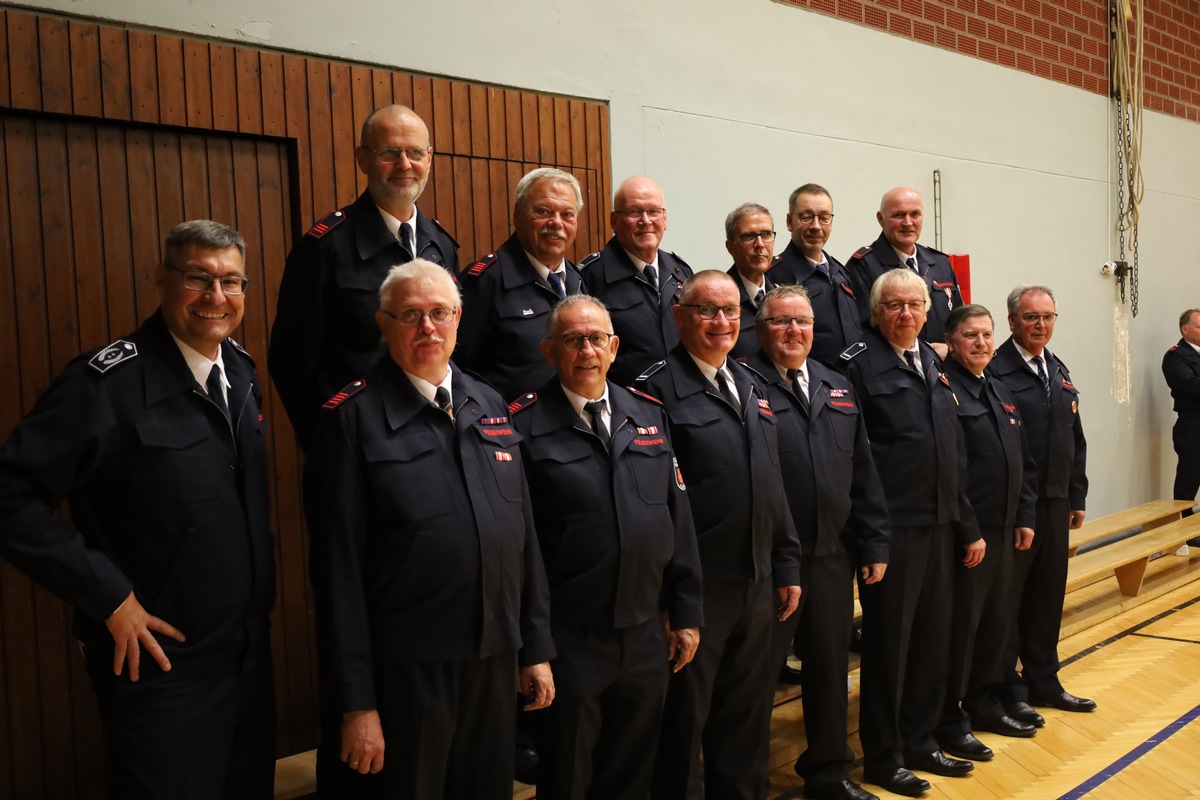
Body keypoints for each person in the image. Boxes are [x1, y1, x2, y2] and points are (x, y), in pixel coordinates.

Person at [0, 220, 276, 799]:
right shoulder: (106, 383)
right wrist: (108, 596)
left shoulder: (242, 372)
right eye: (198, 278)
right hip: (161, 666)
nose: (216, 298)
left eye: (231, 281)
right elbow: (9, 496)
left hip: (245, 660)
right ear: (162, 278)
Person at [304, 259, 555, 798]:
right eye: (410, 315)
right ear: (383, 323)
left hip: (492, 659)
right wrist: (357, 703)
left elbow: (523, 535)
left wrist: (533, 646)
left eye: (439, 313)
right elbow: (336, 576)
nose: (428, 328)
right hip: (405, 673)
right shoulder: (351, 418)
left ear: (460, 318)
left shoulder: (487, 402)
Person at [510, 294, 703, 799]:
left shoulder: (648, 414)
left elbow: (676, 518)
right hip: (571, 635)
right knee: (568, 771)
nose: (586, 350)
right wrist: (532, 645)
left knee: (632, 767)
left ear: (614, 347)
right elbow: (519, 548)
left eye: (596, 338)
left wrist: (684, 609)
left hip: (644, 629)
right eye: (572, 340)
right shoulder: (522, 427)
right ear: (549, 350)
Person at [636, 270, 801, 799]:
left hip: (755, 581)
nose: (721, 322)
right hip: (697, 589)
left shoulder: (750, 381)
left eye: (731, 311)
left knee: (746, 718)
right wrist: (674, 599)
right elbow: (652, 504)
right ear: (679, 314)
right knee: (683, 723)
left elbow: (772, 481)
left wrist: (787, 562)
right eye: (707, 310)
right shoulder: (653, 391)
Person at [743, 285, 889, 800]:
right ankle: (748, 783)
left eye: (802, 322)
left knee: (829, 673)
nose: (793, 331)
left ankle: (829, 775)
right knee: (757, 682)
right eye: (781, 322)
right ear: (760, 331)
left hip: (831, 556)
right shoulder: (742, 382)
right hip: (767, 564)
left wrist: (873, 542)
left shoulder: (836, 383)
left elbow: (862, 470)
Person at [840, 268, 980, 797]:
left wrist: (966, 524)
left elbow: (953, 454)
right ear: (877, 313)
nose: (905, 314)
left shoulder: (934, 363)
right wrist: (871, 538)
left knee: (930, 642)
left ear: (928, 312)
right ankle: (883, 753)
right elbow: (857, 460)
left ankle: (920, 738)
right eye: (894, 306)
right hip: (893, 531)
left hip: (942, 526)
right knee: (889, 648)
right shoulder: (855, 365)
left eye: (914, 305)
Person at [269, 104, 458, 449]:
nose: (405, 165)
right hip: (358, 440)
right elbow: (290, 359)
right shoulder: (326, 247)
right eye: (389, 153)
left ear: (429, 158)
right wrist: (327, 440)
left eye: (415, 153)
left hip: (433, 435)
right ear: (362, 159)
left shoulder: (441, 245)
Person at [934, 305, 1041, 759]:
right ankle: (950, 717)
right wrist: (969, 529)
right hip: (970, 535)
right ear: (951, 342)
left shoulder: (997, 388)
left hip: (1004, 529)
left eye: (986, 335)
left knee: (997, 624)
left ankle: (986, 700)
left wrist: (1025, 515)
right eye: (970, 336)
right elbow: (951, 471)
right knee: (963, 631)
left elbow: (1022, 459)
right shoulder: (944, 391)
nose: (980, 343)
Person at [988, 285, 1094, 716]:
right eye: (1031, 317)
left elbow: (1075, 437)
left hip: (1054, 503)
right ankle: (1006, 689)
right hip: (1016, 508)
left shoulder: (1058, 369)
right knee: (1010, 603)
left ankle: (1043, 681)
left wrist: (1077, 493)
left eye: (1048, 317)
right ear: (1012, 321)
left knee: (1047, 598)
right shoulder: (996, 371)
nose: (1041, 325)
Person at [458, 167, 584, 401]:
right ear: (517, 214)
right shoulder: (486, 280)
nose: (556, 223)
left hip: (568, 428)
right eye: (544, 211)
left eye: (567, 214)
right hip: (510, 430)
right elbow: (456, 368)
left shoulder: (578, 281)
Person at [579, 176, 694, 385]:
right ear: (614, 221)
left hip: (682, 399)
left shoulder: (681, 271)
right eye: (634, 212)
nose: (646, 221)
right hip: (627, 407)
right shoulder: (591, 277)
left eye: (653, 212)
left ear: (665, 218)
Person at [846, 187, 962, 347]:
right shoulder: (863, 267)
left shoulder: (940, 263)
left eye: (915, 214)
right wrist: (924, 354)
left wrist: (950, 349)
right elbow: (862, 331)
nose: (908, 223)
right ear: (881, 219)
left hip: (943, 367)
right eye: (898, 215)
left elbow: (960, 321)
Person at [766, 184, 863, 368]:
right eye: (806, 217)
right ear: (789, 221)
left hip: (854, 384)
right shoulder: (774, 276)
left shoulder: (841, 272)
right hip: (812, 387)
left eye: (824, 218)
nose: (816, 226)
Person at [725, 202, 778, 359]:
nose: (760, 244)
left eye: (766, 234)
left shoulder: (781, 296)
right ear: (731, 247)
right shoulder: (721, 302)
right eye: (749, 236)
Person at [1163, 308, 1200, 529]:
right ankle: (1183, 532)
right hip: (1194, 425)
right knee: (1189, 481)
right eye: (1199, 326)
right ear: (1185, 330)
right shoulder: (1175, 356)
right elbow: (1192, 386)